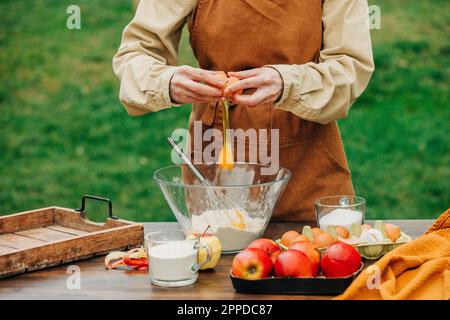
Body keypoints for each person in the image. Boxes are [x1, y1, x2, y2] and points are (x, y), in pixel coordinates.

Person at [113, 0, 374, 222]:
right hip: (216, 152)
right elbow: (136, 53)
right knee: (216, 268)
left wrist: (287, 84)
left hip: (307, 165)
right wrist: (167, 82)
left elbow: (350, 66)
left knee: (318, 268)